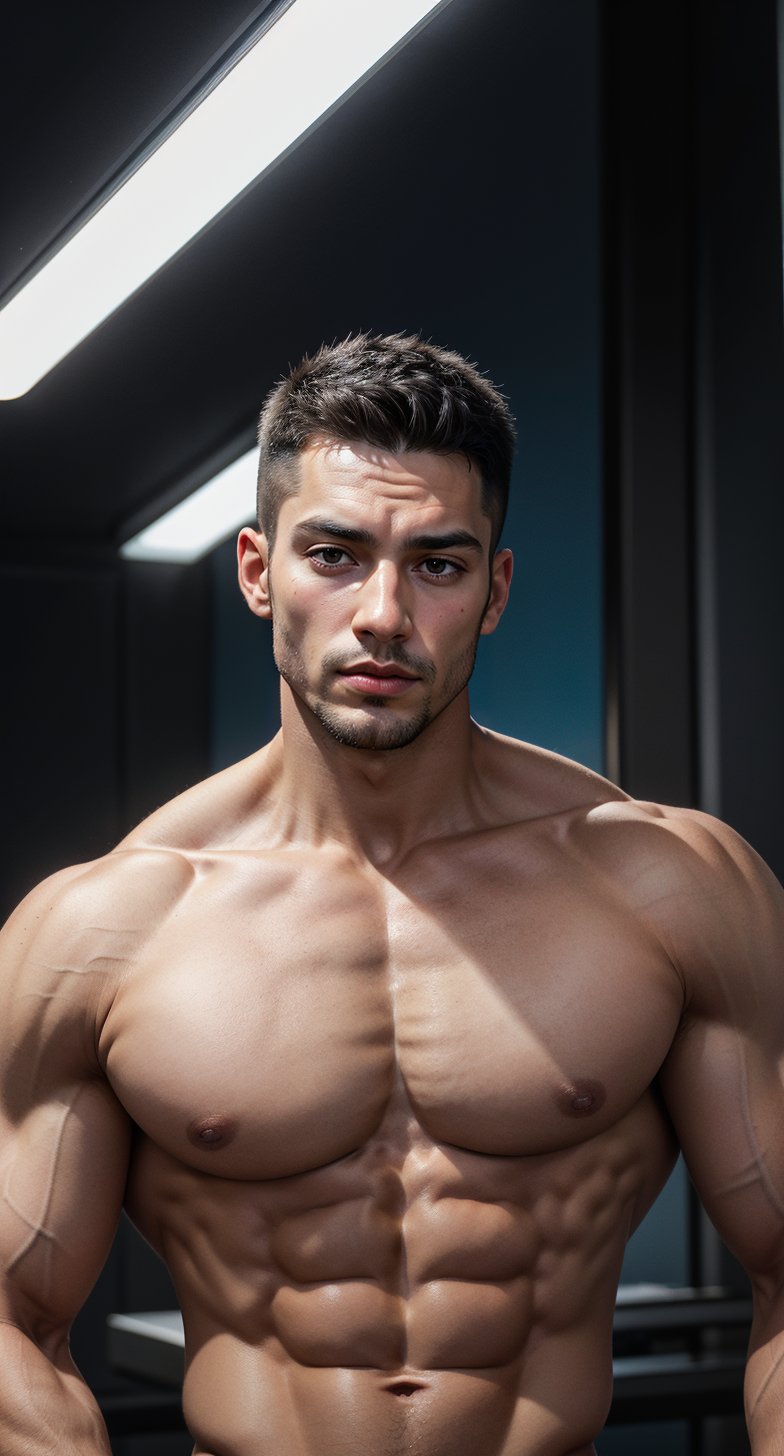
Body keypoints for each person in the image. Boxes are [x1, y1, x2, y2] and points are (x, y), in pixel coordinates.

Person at [1, 332, 782, 1456]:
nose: (382, 612)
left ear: (494, 588)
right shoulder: (107, 929)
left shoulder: (668, 888)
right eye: (334, 554)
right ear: (258, 571)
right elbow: (11, 1324)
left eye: (437, 562)